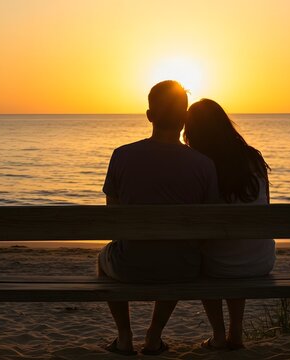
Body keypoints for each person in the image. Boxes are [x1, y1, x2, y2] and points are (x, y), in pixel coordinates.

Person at [97, 81, 219, 355]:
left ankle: (125, 337)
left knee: (102, 260)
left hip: (130, 266)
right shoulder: (203, 164)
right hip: (183, 269)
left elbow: (112, 217)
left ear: (149, 115)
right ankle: (154, 336)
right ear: (185, 119)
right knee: (176, 252)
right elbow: (210, 221)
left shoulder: (121, 156)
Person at [184, 98, 276, 350]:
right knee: (237, 246)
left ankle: (219, 335)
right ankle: (236, 333)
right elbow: (266, 204)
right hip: (261, 260)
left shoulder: (199, 163)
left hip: (217, 265)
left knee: (206, 257)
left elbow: (194, 219)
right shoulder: (253, 158)